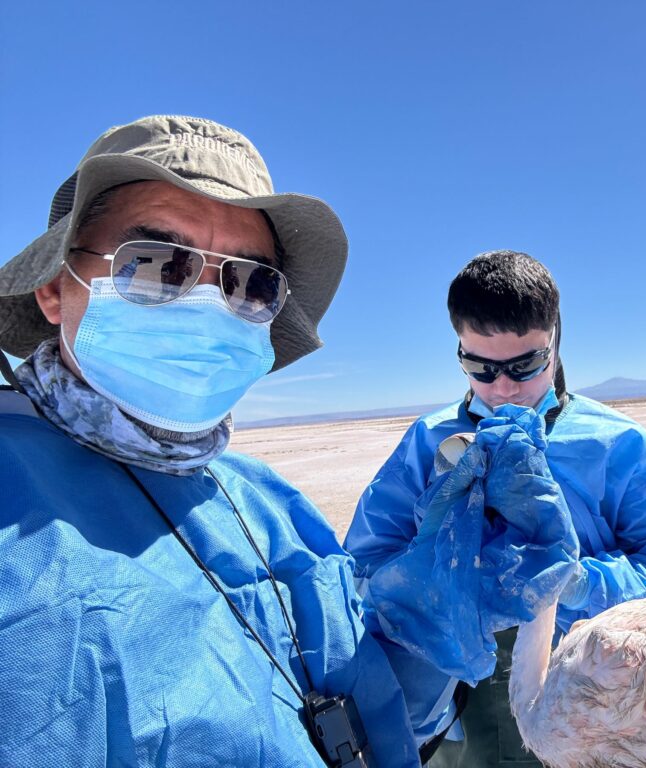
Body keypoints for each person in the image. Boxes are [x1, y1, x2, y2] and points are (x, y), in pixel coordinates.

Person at [0, 116, 423, 768]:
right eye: (153, 264)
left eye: (250, 284)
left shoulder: (267, 504)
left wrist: (442, 631)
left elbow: (367, 701)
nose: (206, 305)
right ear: (56, 289)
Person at [344, 250, 646, 767]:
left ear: (556, 344)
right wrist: (433, 583)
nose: (503, 388)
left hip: (597, 700)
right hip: (459, 707)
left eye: (525, 365)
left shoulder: (620, 447)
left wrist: (575, 584)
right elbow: (364, 562)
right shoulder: (428, 444)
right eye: (480, 367)